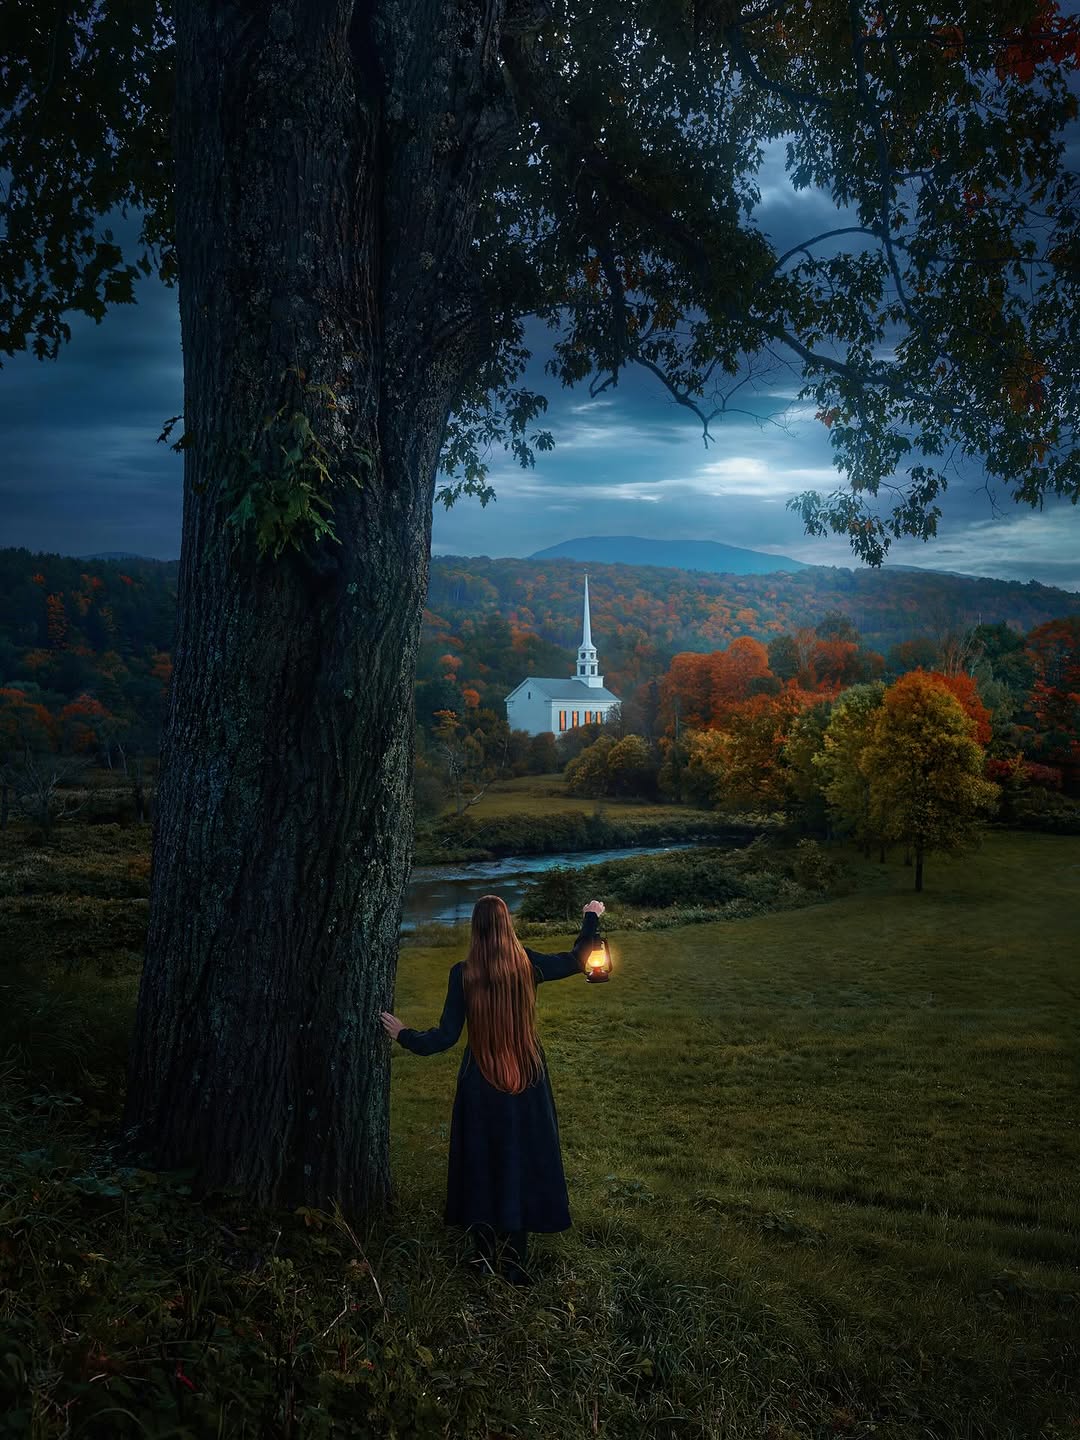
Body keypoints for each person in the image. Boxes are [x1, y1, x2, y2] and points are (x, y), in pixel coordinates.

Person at [380, 894, 606, 1286]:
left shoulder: (463, 972)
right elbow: (578, 958)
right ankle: (516, 1265)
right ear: (507, 924)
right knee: (520, 1158)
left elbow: (446, 1037)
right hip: (528, 1079)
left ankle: (484, 1259)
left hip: (480, 1081)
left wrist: (404, 1035)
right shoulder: (528, 965)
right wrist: (590, 917)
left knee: (483, 1161)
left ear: (475, 928)